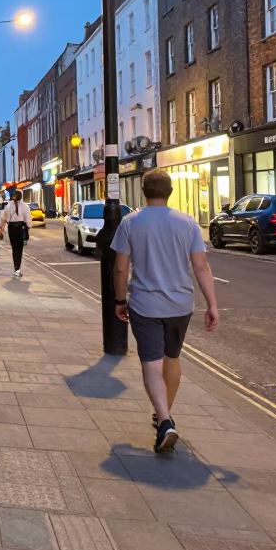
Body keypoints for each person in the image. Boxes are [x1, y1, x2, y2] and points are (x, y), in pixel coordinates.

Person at [112, 168, 220, 453]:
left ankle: (165, 421)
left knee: (151, 363)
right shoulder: (188, 223)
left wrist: (120, 300)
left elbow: (121, 267)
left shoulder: (130, 222)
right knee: (172, 358)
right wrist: (212, 305)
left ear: (143, 192)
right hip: (181, 305)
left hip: (146, 306)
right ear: (169, 192)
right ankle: (164, 416)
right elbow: (201, 267)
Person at [0, 190, 31, 277]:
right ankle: (17, 268)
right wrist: (28, 228)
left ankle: (16, 267)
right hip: (21, 227)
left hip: (11, 227)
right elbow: (27, 219)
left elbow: (3, 218)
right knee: (19, 248)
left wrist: (1, 228)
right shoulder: (25, 206)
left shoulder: (8, 206)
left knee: (14, 248)